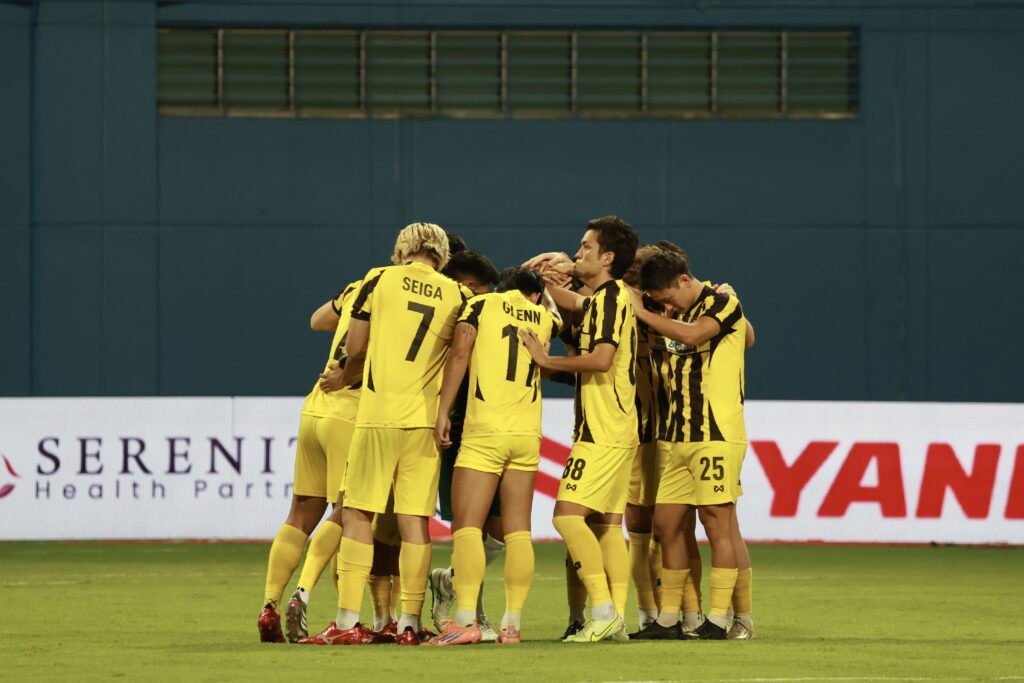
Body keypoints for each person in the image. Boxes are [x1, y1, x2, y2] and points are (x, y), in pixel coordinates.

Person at [303, 222, 463, 646]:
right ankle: (410, 623)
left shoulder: (379, 279)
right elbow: (460, 356)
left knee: (357, 514)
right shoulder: (456, 294)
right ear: (441, 254)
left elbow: (356, 347)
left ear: (402, 249)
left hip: (377, 415)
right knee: (414, 522)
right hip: (423, 420)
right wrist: (443, 411)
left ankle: (346, 621)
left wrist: (345, 375)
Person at [519, 216, 640, 643]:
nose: (578, 253)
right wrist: (538, 280)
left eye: (586, 247)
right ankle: (616, 617)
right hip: (617, 426)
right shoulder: (610, 298)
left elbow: (601, 359)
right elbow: (575, 303)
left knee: (567, 516)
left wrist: (545, 359)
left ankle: (603, 611)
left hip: (603, 430)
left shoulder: (610, 298)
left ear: (608, 257)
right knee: (606, 525)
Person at [428, 266, 560, 645]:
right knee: (518, 532)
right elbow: (556, 315)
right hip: (526, 435)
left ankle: (465, 621)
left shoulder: (481, 306)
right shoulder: (544, 318)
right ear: (534, 295)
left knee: (468, 527)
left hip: (485, 429)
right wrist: (546, 289)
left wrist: (442, 411)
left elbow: (459, 355)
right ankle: (512, 625)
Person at [629, 247, 749, 640]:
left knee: (717, 523)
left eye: (668, 298)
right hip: (676, 437)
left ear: (684, 280)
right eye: (658, 301)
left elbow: (698, 335)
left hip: (716, 435)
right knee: (667, 526)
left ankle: (719, 618)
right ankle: (669, 619)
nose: (666, 306)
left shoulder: (721, 303)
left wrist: (644, 312)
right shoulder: (674, 312)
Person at [256, 280, 362, 643]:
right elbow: (369, 353)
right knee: (347, 513)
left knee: (299, 514)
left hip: (315, 408)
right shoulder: (403, 297)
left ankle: (269, 605)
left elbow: (317, 320)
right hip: (351, 414)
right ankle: (306, 594)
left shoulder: (359, 287)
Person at [429, 250, 506, 641]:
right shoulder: (442, 322)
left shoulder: (485, 315)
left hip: (496, 427)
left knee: (500, 531)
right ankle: (473, 612)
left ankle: (449, 581)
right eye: (478, 290)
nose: (483, 298)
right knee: (468, 527)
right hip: (459, 427)